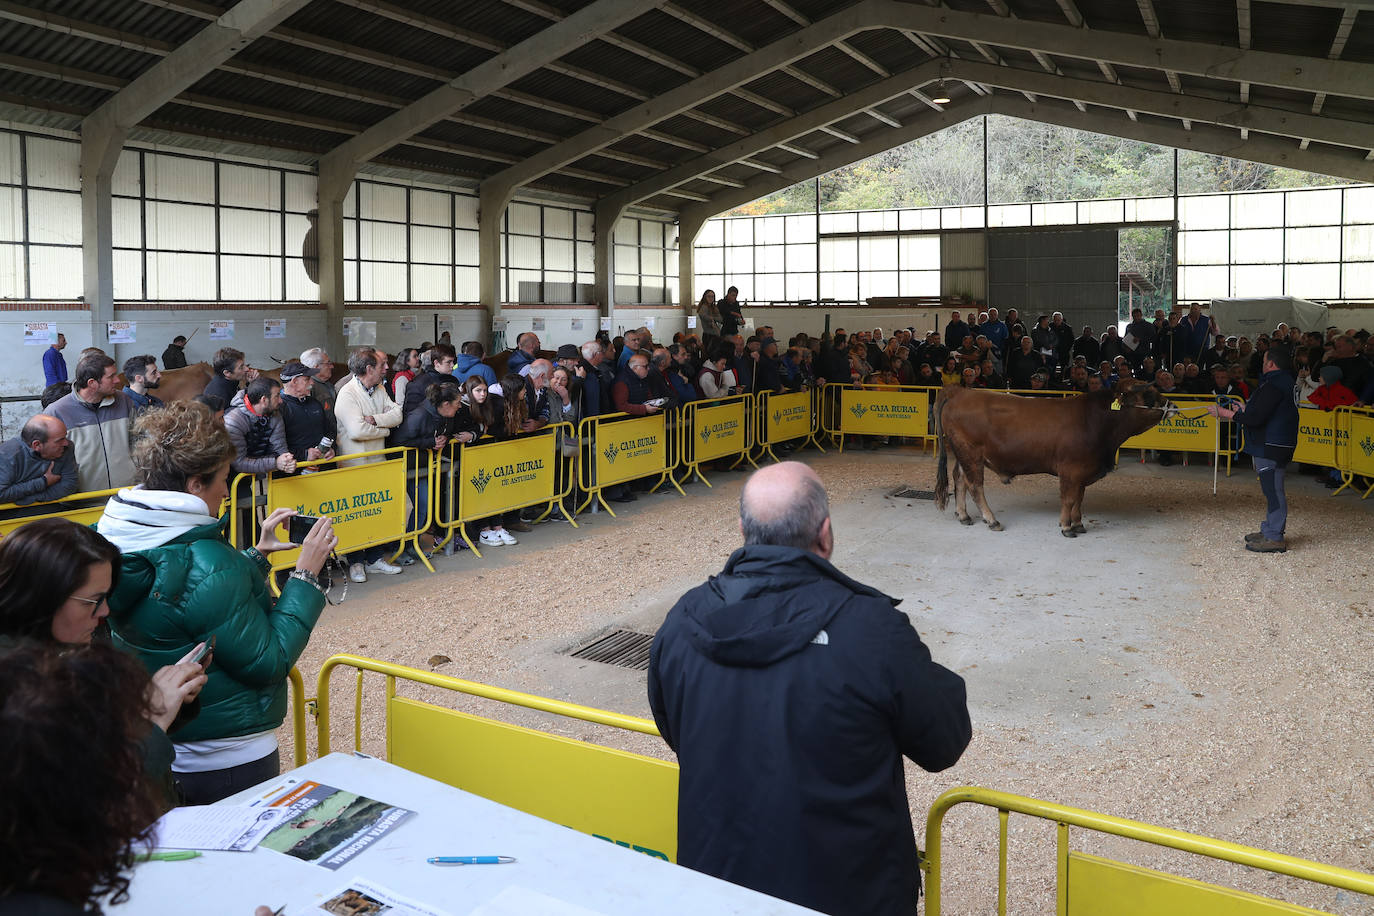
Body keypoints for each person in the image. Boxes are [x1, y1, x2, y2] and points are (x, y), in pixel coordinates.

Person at [648, 461, 971, 916]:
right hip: (846, 892)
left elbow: (673, 727)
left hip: (719, 886)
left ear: (744, 529)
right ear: (826, 533)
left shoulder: (683, 621)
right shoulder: (871, 630)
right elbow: (944, 741)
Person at [98, 401, 337, 804]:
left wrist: (256, 556)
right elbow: (270, 660)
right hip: (229, 755)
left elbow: (187, 600)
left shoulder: (123, 536)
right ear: (195, 484)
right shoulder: (205, 558)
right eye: (224, 479)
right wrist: (306, 576)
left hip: (168, 741)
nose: (227, 491)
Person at [0, 517, 208, 808]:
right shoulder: (16, 685)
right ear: (42, 596)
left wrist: (161, 701)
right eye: (93, 600)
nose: (105, 611)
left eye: (107, 597)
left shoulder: (46, 657)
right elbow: (89, 796)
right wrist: (153, 721)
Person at [1209, 344, 1298, 554]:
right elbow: (1264, 411)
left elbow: (1256, 419)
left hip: (1271, 444)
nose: (1263, 363)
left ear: (1271, 364)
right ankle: (1269, 529)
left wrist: (1225, 413)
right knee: (1271, 489)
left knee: (1273, 491)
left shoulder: (1274, 384)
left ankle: (1275, 536)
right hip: (1277, 441)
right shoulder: (1284, 382)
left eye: (1265, 359)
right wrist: (1245, 409)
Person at [335, 347, 404, 581]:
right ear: (368, 369)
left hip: (377, 461)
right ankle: (355, 562)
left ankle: (375, 558)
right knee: (357, 512)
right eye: (381, 365)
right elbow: (356, 431)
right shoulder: (347, 394)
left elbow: (398, 414)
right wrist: (385, 429)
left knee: (377, 510)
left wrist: (375, 420)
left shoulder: (381, 388)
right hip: (354, 464)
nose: (386, 368)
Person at [47, 352, 136, 493]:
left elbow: (139, 440)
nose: (118, 380)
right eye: (111, 376)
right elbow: (47, 459)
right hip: (82, 501)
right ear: (92, 383)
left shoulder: (124, 401)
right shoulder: (57, 412)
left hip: (125, 495)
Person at [0, 414, 78, 506]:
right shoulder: (7, 456)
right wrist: (43, 482)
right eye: (59, 440)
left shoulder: (67, 448)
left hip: (53, 512)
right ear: (36, 445)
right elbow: (1, 494)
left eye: (65, 437)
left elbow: (69, 485)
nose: (65, 443)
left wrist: (31, 499)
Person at [225, 376, 296, 476]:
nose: (281, 400)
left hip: (252, 472)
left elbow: (280, 449)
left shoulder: (274, 414)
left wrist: (287, 461)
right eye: (277, 396)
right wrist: (275, 463)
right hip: (230, 477)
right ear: (264, 400)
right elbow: (238, 463)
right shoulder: (234, 421)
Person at [279, 360, 336, 465]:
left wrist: (328, 449)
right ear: (295, 381)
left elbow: (329, 430)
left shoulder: (314, 403)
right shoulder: (279, 408)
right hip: (294, 474)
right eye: (307, 379)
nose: (312, 382)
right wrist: (304, 455)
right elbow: (276, 446)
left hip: (323, 467)